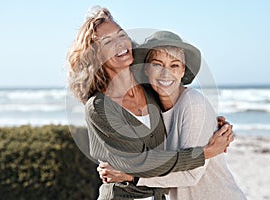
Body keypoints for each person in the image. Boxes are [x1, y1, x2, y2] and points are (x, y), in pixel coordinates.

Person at [66, 6, 233, 200]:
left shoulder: (150, 91)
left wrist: (211, 123)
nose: (120, 44)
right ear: (96, 56)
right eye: (108, 42)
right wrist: (204, 153)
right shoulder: (99, 107)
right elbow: (139, 162)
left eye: (121, 35)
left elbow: (176, 114)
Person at [98, 31, 246, 199]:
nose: (165, 73)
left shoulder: (194, 105)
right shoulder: (151, 108)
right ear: (146, 68)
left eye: (174, 65)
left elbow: (190, 175)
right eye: (157, 64)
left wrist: (131, 176)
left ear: (183, 70)